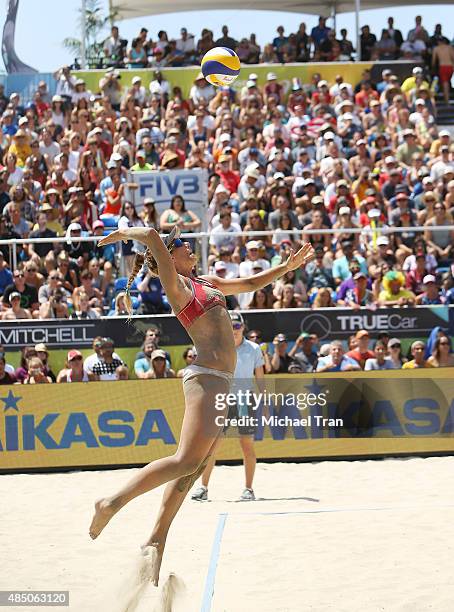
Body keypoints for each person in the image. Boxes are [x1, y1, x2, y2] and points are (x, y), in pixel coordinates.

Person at [88, 225, 314, 586]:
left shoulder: (205, 282)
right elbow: (149, 234)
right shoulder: (176, 286)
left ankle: (156, 539)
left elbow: (249, 285)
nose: (190, 247)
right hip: (206, 375)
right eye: (182, 246)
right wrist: (127, 233)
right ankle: (111, 502)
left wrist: (284, 269)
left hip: (221, 380)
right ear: (169, 256)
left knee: (192, 469)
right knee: (186, 460)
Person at [191, 311, 265, 502]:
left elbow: (260, 379)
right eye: (230, 326)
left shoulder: (254, 349)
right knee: (212, 447)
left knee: (246, 445)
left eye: (237, 326)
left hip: (245, 400)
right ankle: (203, 488)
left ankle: (249, 489)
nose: (234, 330)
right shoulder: (217, 347)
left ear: (243, 328)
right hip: (222, 399)